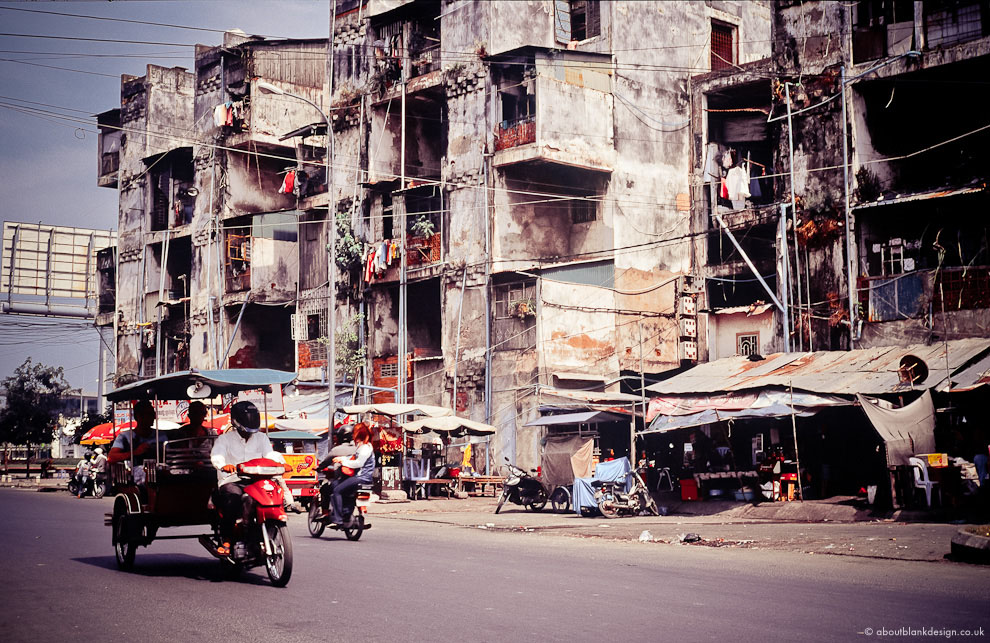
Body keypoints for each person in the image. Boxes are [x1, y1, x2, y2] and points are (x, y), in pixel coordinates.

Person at [210, 401, 290, 556]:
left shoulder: (261, 438)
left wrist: (281, 463)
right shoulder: (224, 439)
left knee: (269, 496)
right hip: (232, 480)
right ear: (236, 422)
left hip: (256, 481)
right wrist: (224, 465)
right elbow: (217, 455)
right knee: (233, 500)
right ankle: (227, 540)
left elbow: (269, 455)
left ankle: (260, 530)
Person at [327, 422, 375, 527]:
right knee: (336, 484)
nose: (352, 435)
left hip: (361, 478)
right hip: (359, 477)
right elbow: (353, 458)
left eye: (354, 433)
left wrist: (343, 462)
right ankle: (346, 513)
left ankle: (338, 520)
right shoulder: (362, 446)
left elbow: (359, 463)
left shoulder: (365, 448)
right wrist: (342, 459)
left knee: (337, 491)